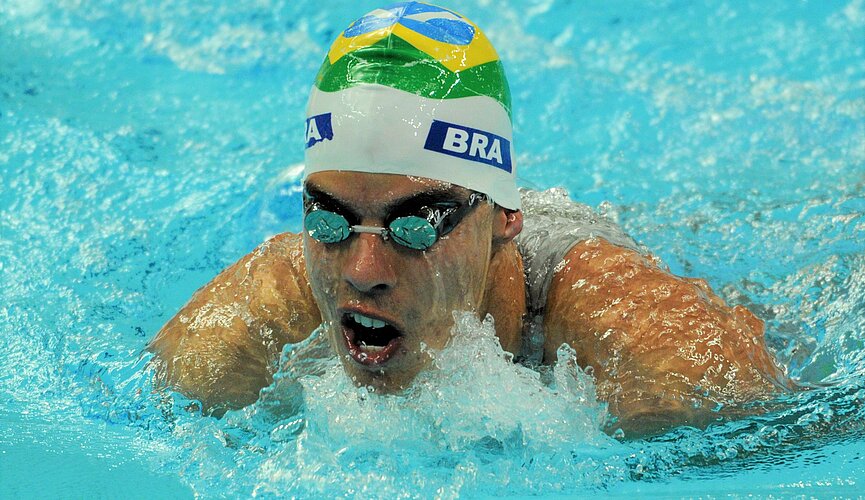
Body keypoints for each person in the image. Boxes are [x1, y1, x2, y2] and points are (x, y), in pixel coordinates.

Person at [148, 2, 795, 437]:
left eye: (417, 224)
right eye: (329, 221)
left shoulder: (650, 349)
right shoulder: (231, 341)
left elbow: (780, 433)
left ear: (504, 216)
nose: (363, 272)